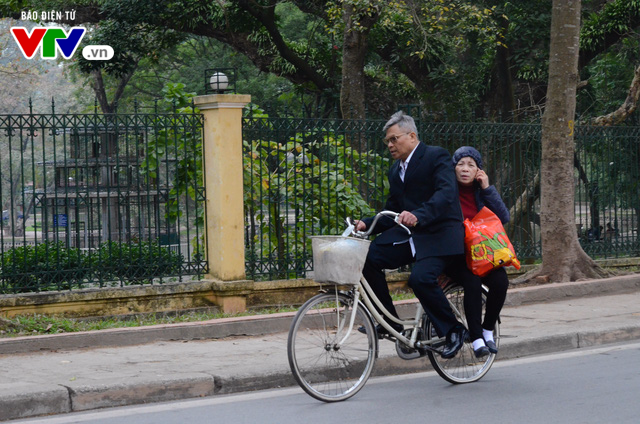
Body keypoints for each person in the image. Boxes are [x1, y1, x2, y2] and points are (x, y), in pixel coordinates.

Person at [354, 111, 467, 359]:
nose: (390, 145)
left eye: (394, 139)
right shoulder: (396, 171)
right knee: (369, 256)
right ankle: (388, 322)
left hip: (440, 236)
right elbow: (393, 208)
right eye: (387, 141)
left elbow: (446, 194)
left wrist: (420, 214)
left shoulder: (436, 156)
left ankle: (454, 331)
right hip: (412, 236)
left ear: (412, 135)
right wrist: (366, 223)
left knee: (420, 279)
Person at [449, 146, 510, 358]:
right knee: (472, 283)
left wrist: (486, 188)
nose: (465, 169)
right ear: (453, 168)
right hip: (457, 256)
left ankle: (487, 329)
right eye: (460, 164)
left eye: (471, 165)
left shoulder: (481, 193)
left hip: (482, 254)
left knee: (501, 281)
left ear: (478, 171)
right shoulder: (447, 190)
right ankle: (476, 338)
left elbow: (503, 217)